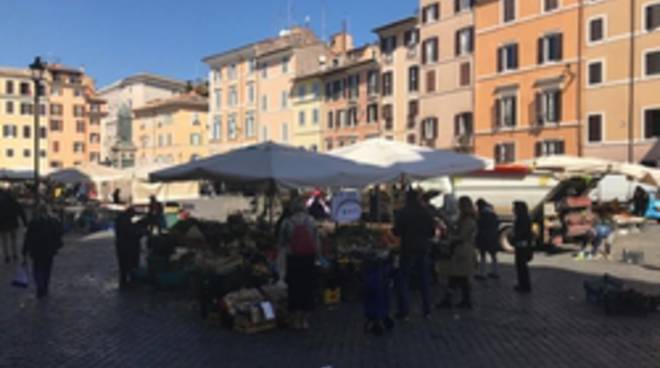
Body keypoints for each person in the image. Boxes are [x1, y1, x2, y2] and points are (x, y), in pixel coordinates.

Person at [392, 189, 436, 319]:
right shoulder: (426, 212)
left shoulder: (403, 213)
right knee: (424, 279)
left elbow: (397, 232)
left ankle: (404, 310)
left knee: (403, 279)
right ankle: (427, 309)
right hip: (423, 249)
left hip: (408, 249)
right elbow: (432, 233)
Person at [278, 199, 320, 330]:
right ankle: (305, 320)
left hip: (293, 259)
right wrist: (318, 257)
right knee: (307, 289)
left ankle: (295, 320)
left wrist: (280, 266)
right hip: (308, 259)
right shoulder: (311, 221)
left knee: (294, 289)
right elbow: (317, 241)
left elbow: (282, 243)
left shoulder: (287, 222)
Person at [438, 196, 477, 309]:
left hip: (462, 252)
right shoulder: (466, 218)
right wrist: (446, 221)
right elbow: (457, 230)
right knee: (459, 278)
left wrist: (450, 238)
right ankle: (462, 300)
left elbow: (462, 236)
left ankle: (452, 300)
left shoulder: (468, 220)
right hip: (463, 251)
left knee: (457, 276)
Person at [22, 205, 63, 299]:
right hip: (49, 250)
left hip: (36, 250)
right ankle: (44, 286)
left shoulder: (33, 222)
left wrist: (24, 251)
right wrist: (57, 246)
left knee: (37, 269)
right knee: (47, 269)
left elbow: (28, 238)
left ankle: (40, 286)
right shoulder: (53, 221)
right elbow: (59, 234)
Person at [114, 207, 145, 288]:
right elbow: (132, 232)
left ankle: (124, 282)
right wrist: (142, 231)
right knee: (131, 265)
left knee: (124, 266)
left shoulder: (121, 218)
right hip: (129, 246)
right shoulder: (127, 220)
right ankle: (130, 282)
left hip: (121, 246)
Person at [0, 189, 28, 263]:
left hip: (3, 225)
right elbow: (21, 212)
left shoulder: (1, 203)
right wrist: (25, 223)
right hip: (13, 224)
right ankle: (14, 254)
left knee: (4, 241)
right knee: (13, 240)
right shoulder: (15, 202)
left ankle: (7, 256)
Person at [475, 199, 500, 280]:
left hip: (484, 237)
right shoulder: (493, 214)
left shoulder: (482, 214)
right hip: (493, 237)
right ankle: (495, 272)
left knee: (482, 256)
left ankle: (482, 273)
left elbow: (479, 226)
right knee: (493, 255)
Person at [513, 201, 533, 293]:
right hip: (523, 244)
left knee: (521, 266)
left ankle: (524, 286)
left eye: (515, 208)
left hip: (521, 245)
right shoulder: (525, 217)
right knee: (521, 266)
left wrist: (515, 237)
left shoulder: (521, 219)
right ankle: (523, 285)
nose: (513, 210)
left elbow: (522, 232)